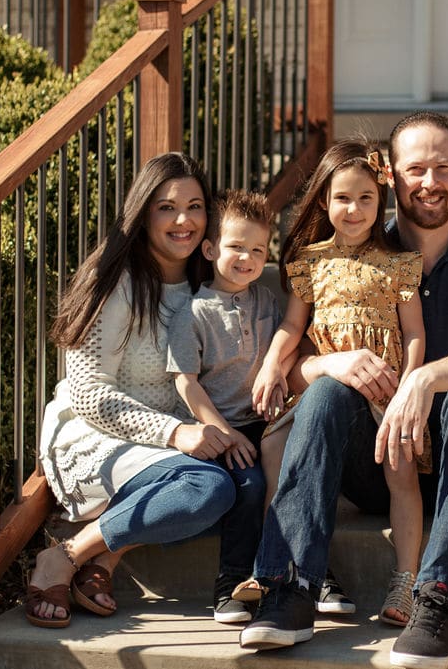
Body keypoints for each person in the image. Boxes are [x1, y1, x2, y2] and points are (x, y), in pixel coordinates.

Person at [238, 112, 448, 669]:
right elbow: (296, 369)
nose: (430, 181)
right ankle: (291, 589)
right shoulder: (352, 255)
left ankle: (438, 598)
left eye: (443, 167)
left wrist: (424, 377)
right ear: (392, 178)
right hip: (381, 460)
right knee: (324, 393)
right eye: (415, 168)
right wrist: (333, 362)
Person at [29, 152, 262, 629]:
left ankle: (104, 557)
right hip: (96, 437)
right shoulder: (113, 282)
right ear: (142, 213)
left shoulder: (208, 287)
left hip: (166, 447)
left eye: (196, 207)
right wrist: (177, 433)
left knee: (244, 481)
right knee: (205, 487)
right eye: (166, 208)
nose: (184, 220)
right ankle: (65, 556)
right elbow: (91, 394)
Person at [249, 138, 427, 627]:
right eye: (342, 198)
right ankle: (301, 567)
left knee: (401, 476)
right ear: (324, 202)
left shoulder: (397, 262)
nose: (353, 209)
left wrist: (409, 389)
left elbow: (414, 334)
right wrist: (270, 365)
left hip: (385, 391)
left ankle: (407, 580)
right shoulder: (310, 261)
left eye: (365, 198)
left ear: (381, 200)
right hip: (328, 391)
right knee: (276, 449)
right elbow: (292, 326)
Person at [165, 189, 282, 623]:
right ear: (211, 248)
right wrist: (224, 433)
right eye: (236, 246)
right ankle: (229, 586)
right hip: (221, 428)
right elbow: (186, 383)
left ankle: (290, 575)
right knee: (249, 488)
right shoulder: (192, 312)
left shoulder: (267, 301)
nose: (247, 258)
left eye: (257, 249)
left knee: (290, 479)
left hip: (265, 425)